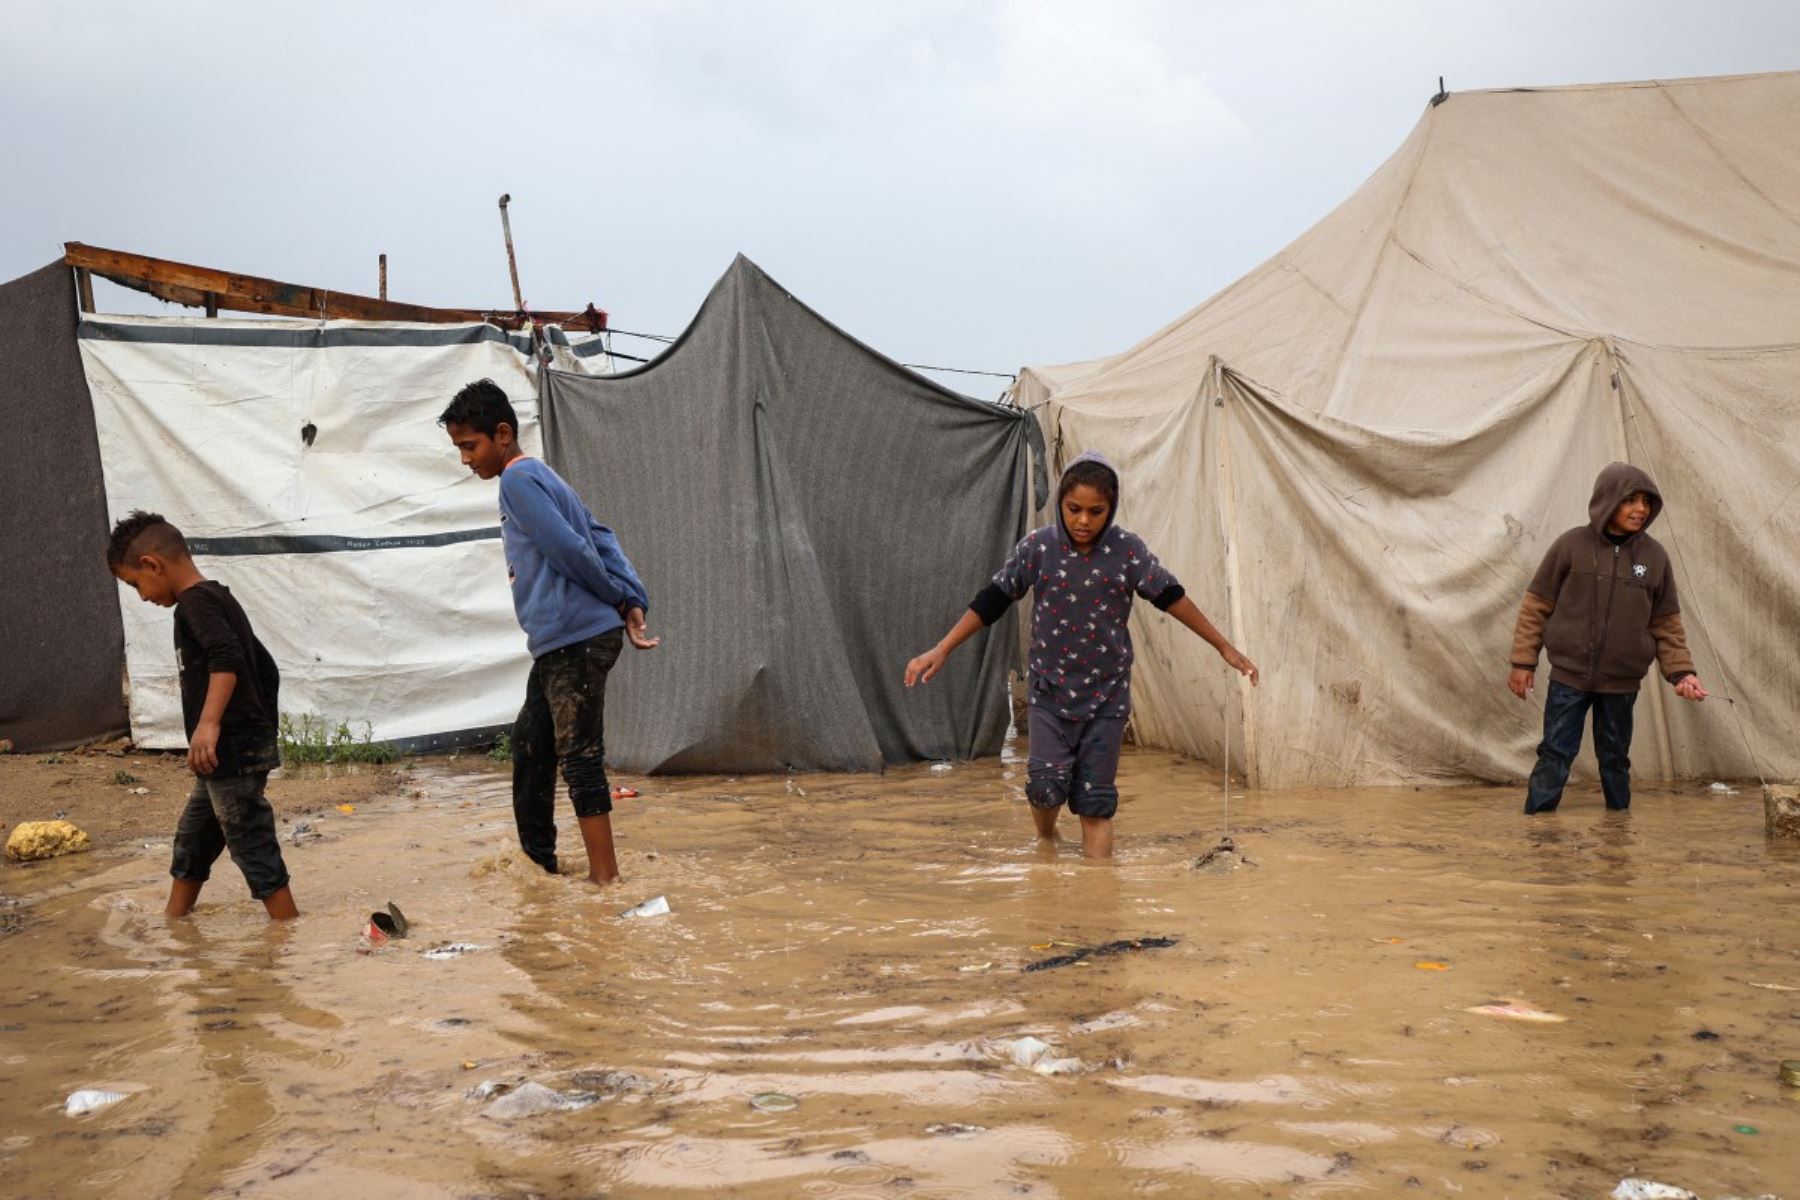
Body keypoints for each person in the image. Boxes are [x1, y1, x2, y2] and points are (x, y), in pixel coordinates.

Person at [904, 452, 1258, 858]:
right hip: (1049, 692)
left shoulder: (1127, 552)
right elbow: (993, 599)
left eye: (1096, 511)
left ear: (1111, 509)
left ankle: (1098, 906)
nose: (1084, 521)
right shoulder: (1038, 548)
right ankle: (1046, 840)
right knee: (1044, 787)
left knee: (1095, 802)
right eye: (1074, 510)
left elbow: (1171, 597)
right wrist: (941, 649)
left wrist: (1224, 647)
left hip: (1106, 696)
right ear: (1060, 505)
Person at [440, 379, 657, 884]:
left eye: (470, 447)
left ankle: (605, 880)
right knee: (531, 746)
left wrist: (616, 598)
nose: (466, 460)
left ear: (503, 434)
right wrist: (630, 598)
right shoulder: (543, 477)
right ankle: (540, 868)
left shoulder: (518, 480)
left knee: (579, 757)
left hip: (573, 639)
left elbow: (573, 549)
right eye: (459, 449)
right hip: (561, 643)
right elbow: (601, 534)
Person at [106, 512, 297, 919]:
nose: (141, 597)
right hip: (226, 755)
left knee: (249, 841)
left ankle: (287, 930)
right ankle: (174, 924)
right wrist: (260, 731)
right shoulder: (219, 598)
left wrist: (211, 725)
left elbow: (226, 658)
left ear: (152, 564)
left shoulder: (195, 604)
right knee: (194, 840)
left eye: (135, 584)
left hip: (230, 753)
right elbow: (265, 669)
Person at [1508, 462, 1706, 814]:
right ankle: (1537, 826)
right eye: (1631, 500)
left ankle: (1619, 828)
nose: (1641, 509)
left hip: (1621, 682)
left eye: (1646, 501)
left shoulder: (1655, 557)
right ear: (1607, 501)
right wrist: (1523, 662)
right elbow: (1535, 608)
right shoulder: (1570, 546)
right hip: (1568, 676)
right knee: (1555, 751)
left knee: (1615, 757)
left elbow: (1667, 625)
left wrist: (1682, 673)